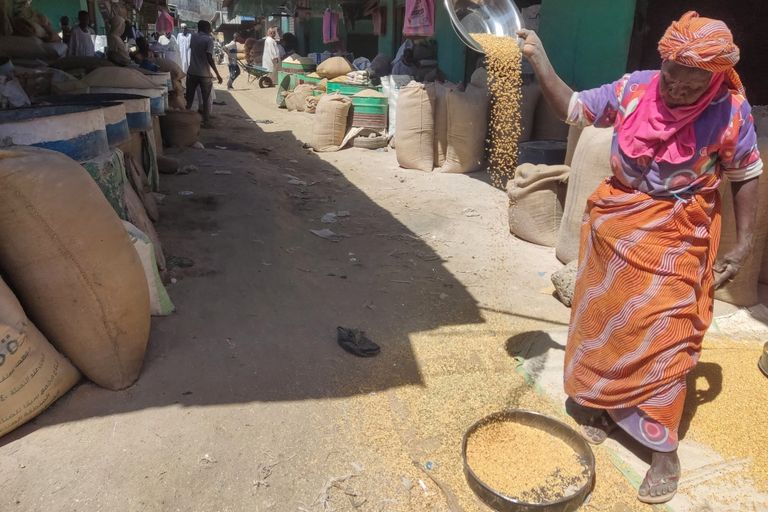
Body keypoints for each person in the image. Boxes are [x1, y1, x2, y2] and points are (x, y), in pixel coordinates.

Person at [518, 11, 761, 505]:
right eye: (670, 72)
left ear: (714, 76)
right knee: (606, 324)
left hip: (677, 238)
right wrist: (541, 59)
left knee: (668, 337)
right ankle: (605, 405)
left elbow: (747, 175)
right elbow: (573, 109)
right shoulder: (634, 88)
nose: (675, 85)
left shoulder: (732, 111)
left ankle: (662, 448)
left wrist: (744, 243)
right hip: (616, 229)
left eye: (690, 80)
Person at [185, 19, 222, 128]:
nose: (211, 29)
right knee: (205, 99)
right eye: (210, 27)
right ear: (206, 28)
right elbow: (209, 58)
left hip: (192, 72)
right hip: (204, 74)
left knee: (189, 98)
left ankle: (185, 119)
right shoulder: (208, 40)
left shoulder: (193, 37)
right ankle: (206, 122)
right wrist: (217, 74)